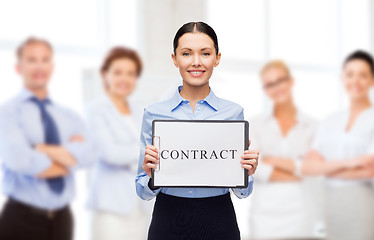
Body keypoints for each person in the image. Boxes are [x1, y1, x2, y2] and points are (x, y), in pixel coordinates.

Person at [135, 22, 259, 240]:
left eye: (205, 53)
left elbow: (242, 192)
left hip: (219, 218)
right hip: (168, 219)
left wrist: (246, 174)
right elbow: (142, 191)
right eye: (186, 53)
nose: (196, 62)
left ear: (217, 58)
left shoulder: (233, 113)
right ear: (174, 59)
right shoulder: (154, 114)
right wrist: (150, 174)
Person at [0, 37, 96, 240]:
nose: (39, 66)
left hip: (62, 220)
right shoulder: (7, 112)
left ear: (52, 66)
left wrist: (40, 148)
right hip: (21, 219)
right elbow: (20, 160)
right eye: (32, 59)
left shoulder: (68, 115)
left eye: (45, 60)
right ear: (19, 67)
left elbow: (89, 155)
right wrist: (70, 159)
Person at [302, 50, 374, 240]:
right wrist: (352, 163)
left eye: (363, 75)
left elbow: (369, 170)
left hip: (364, 207)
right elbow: (308, 167)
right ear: (342, 78)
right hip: (333, 207)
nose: (355, 81)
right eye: (350, 74)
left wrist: (323, 168)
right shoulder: (330, 121)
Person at [248, 60, 324, 239]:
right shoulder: (255, 124)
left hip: (302, 215)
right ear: (265, 90)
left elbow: (316, 169)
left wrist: (271, 160)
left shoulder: (313, 126)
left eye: (280, 80)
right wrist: (298, 170)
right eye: (269, 84)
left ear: (291, 81)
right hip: (264, 216)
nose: (276, 88)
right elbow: (256, 169)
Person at [86, 47, 151, 240]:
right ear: (105, 75)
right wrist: (145, 154)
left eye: (130, 73)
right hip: (111, 208)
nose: (125, 79)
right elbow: (110, 154)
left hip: (141, 206)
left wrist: (140, 154)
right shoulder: (95, 110)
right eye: (118, 72)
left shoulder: (141, 112)